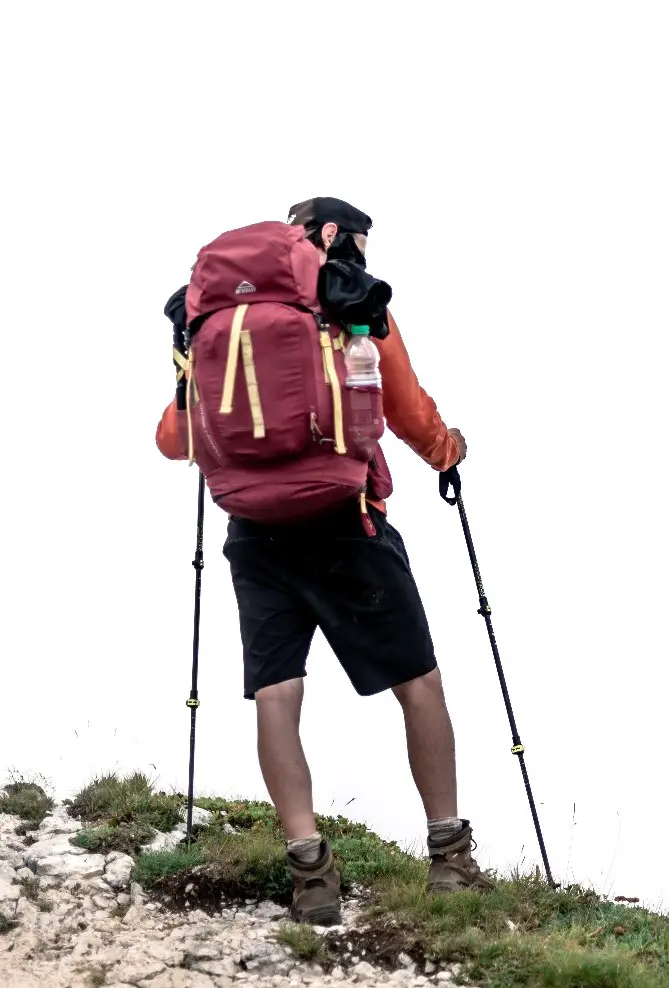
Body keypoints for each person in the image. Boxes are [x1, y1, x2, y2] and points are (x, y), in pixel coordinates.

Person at [156, 197, 493, 926]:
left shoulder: (211, 315)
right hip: (345, 520)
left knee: (277, 693)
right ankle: (448, 858)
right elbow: (401, 405)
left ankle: (310, 870)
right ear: (335, 235)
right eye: (361, 240)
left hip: (250, 529)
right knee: (418, 681)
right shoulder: (342, 298)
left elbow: (172, 438)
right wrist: (446, 450)